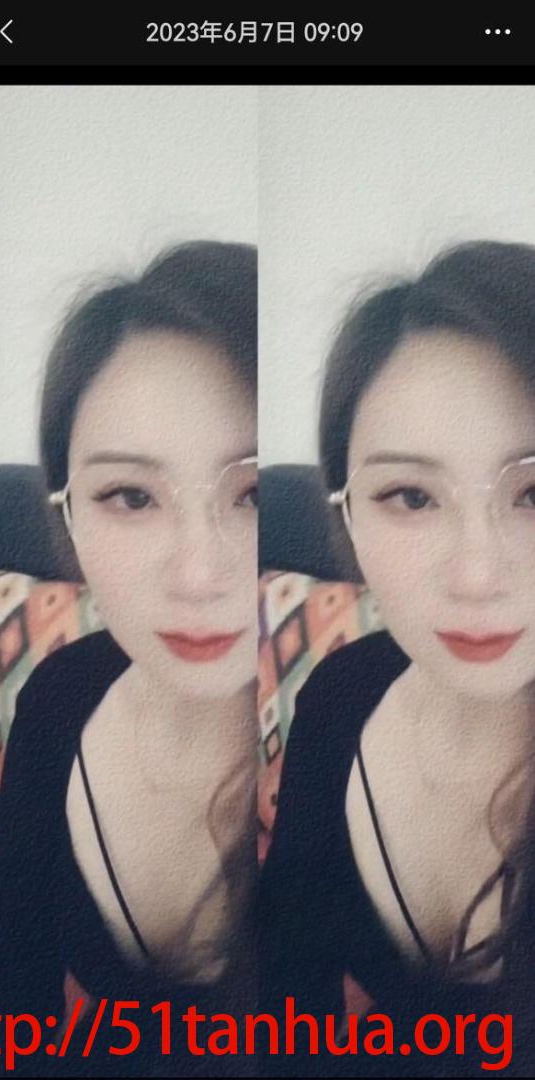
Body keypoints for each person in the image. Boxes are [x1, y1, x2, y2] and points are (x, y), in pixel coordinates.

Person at [259, 240, 535, 1077]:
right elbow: (289, 1008)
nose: (477, 574)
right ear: (346, 513)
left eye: (533, 493)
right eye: (411, 496)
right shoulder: (341, 695)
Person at [0, 240, 258, 1077]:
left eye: (250, 494)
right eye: (132, 496)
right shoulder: (61, 696)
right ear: (67, 513)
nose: (200, 573)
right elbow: (13, 1006)